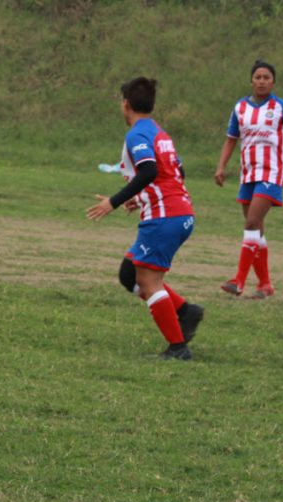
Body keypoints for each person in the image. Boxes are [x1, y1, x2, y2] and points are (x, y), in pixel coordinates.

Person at [87, 77, 204, 360]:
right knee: (129, 273)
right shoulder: (159, 133)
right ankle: (186, 312)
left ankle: (178, 348)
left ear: (125, 104)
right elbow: (176, 173)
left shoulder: (137, 134)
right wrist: (140, 199)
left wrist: (113, 202)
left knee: (149, 282)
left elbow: (149, 170)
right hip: (178, 213)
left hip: (166, 217)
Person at [215, 60, 283, 299]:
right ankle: (265, 284)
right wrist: (221, 167)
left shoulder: (282, 108)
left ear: (273, 82)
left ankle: (238, 280)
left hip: (271, 173)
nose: (262, 81)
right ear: (251, 81)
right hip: (248, 174)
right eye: (258, 77)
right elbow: (231, 139)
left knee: (251, 223)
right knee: (256, 230)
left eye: (266, 77)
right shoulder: (240, 108)